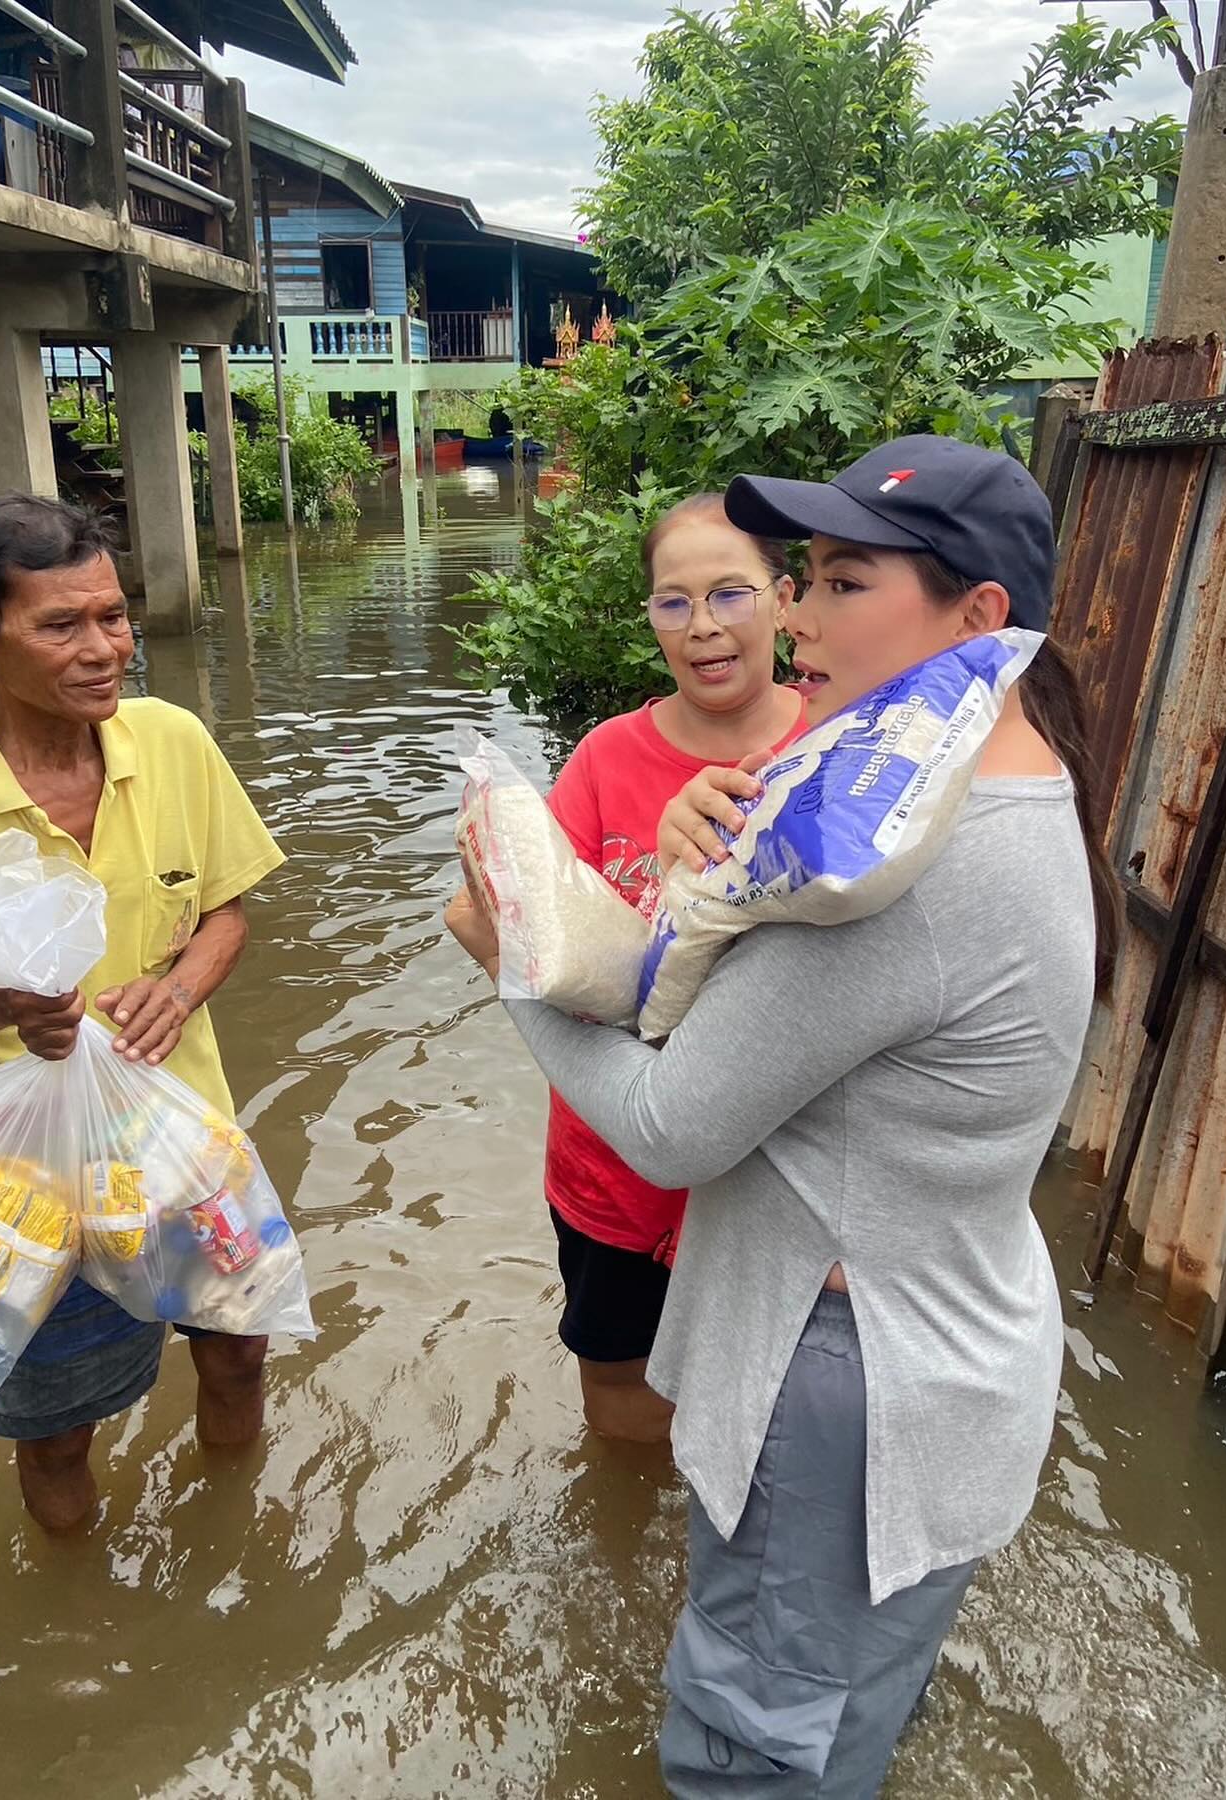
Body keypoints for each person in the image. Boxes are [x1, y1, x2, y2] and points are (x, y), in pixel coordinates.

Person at [446, 436, 1118, 1796]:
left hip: (840, 1382)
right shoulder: (981, 786)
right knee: (849, 1706)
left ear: (977, 617)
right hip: (947, 1331)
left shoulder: (920, 871)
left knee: (755, 1747)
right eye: (802, 576)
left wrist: (514, 950)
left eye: (842, 581)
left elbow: (675, 1126)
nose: (793, 620)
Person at [0, 493, 285, 1533]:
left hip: (191, 1143)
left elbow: (226, 911)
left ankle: (231, 1544)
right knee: (54, 1428)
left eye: (114, 616)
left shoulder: (172, 742)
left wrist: (177, 989)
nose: (105, 650)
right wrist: (0, 1004)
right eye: (61, 625)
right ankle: (86, 1617)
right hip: (25, 1188)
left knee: (239, 1354)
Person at [542, 494, 808, 1443]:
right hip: (612, 1163)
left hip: (773, 1179)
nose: (702, 628)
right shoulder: (607, 758)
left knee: (768, 1410)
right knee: (619, 1395)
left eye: (730, 594)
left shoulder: (841, 752)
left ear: (786, 601)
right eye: (672, 603)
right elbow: (523, 930)